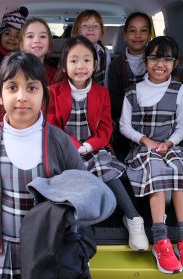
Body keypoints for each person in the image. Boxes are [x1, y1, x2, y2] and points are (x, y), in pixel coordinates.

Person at [0, 51, 92, 279]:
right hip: (3, 253)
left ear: (44, 95)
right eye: (12, 87)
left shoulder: (60, 142)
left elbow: (84, 196)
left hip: (50, 253)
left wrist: (79, 250)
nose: (22, 97)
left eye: (32, 88)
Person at [48, 36, 149, 251]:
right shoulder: (54, 92)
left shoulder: (101, 93)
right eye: (74, 61)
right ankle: (70, 230)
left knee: (103, 165)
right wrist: (75, 146)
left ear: (95, 65)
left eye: (86, 60)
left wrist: (89, 146)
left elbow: (105, 128)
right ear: (65, 65)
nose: (80, 66)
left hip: (94, 147)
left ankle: (133, 218)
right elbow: (52, 126)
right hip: (64, 148)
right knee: (70, 174)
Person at [120, 36, 183, 274]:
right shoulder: (133, 92)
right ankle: (161, 240)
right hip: (143, 148)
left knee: (178, 168)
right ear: (145, 61)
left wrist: (168, 142)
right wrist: (146, 141)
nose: (160, 64)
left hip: (170, 145)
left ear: (175, 63)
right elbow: (125, 126)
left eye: (167, 59)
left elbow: (182, 126)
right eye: (155, 57)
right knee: (155, 169)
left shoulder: (180, 90)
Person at [109, 12, 152, 160]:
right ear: (125, 36)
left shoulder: (157, 62)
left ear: (150, 35)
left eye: (143, 30)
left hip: (152, 118)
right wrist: (132, 113)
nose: (138, 35)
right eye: (132, 31)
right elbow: (114, 96)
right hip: (125, 118)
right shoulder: (116, 65)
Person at [71, 9, 110, 87]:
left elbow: (106, 79)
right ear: (77, 31)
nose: (91, 28)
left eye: (95, 26)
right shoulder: (70, 51)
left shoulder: (104, 53)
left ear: (101, 33)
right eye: (85, 25)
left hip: (98, 94)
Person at [19, 17, 57, 85]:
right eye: (30, 36)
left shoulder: (56, 76)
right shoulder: (11, 72)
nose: (36, 41)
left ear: (49, 47)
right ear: (21, 46)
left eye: (42, 36)